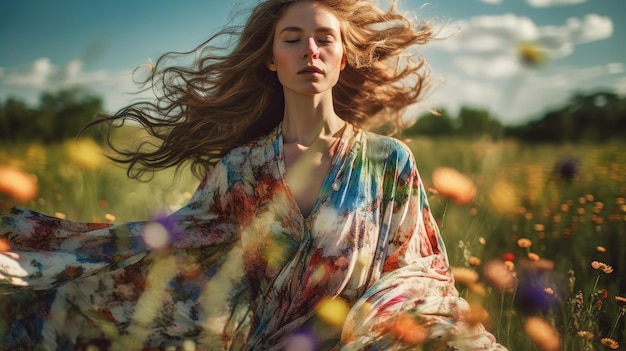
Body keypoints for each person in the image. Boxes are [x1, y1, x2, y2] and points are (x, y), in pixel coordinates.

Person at [0, 0, 507, 350]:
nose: (310, 49)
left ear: (343, 57)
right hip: (261, 341)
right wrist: (46, 256)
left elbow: (420, 267)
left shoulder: (388, 160)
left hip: (360, 340)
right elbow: (181, 243)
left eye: (324, 38)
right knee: (66, 303)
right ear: (271, 59)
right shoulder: (242, 167)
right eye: (293, 38)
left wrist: (368, 325)